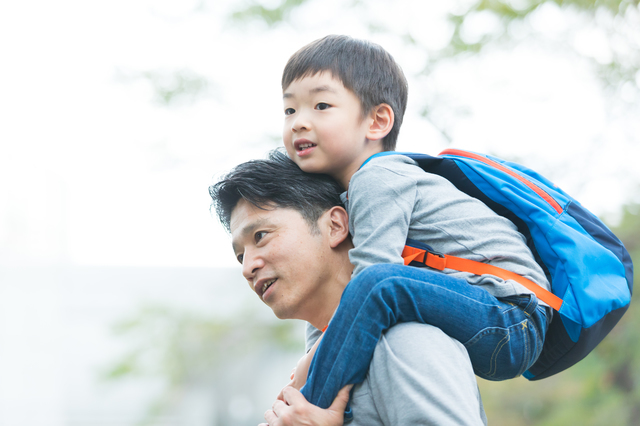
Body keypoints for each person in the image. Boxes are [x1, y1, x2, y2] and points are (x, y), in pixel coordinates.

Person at [280, 34, 552, 410]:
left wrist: (310, 369)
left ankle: (309, 411)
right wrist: (309, 361)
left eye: (321, 105)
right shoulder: (342, 201)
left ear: (377, 121)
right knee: (359, 291)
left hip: (511, 315)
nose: (298, 123)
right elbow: (341, 299)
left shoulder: (379, 176)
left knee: (378, 282)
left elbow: (372, 282)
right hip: (482, 313)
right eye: (290, 111)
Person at [209, 150, 487, 425]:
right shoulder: (316, 365)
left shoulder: (403, 342)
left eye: (261, 236)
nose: (247, 268)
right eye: (240, 256)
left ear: (335, 225)